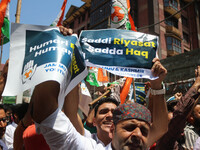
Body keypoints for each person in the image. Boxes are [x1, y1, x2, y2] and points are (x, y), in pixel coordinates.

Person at [31, 25, 168, 148]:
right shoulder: (85, 145)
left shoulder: (138, 143)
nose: (137, 134)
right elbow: (47, 111)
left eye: (144, 131)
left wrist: (157, 84)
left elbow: (161, 127)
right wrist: (58, 50)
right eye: (129, 127)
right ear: (112, 129)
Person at [155, 66, 200, 150]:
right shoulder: (164, 144)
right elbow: (180, 114)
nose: (181, 130)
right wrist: (197, 83)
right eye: (173, 124)